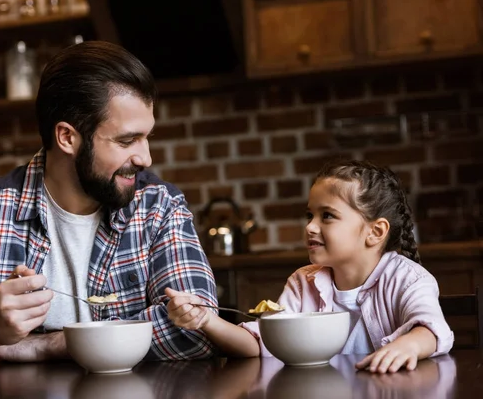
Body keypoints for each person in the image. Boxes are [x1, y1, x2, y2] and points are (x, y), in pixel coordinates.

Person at [0, 41, 218, 377]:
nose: (145, 158)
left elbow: (200, 327)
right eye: (127, 140)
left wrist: (50, 344)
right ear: (67, 137)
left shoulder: (158, 205)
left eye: (147, 138)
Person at [167, 159, 454, 373]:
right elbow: (261, 344)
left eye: (327, 216)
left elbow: (431, 328)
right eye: (309, 215)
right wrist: (206, 320)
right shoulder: (303, 281)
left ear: (375, 232)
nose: (310, 227)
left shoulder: (406, 278)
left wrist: (409, 345)